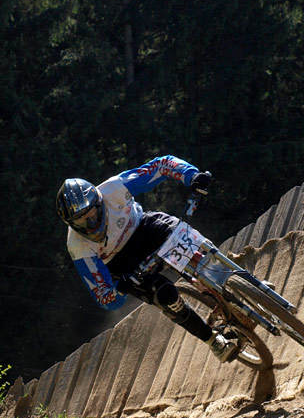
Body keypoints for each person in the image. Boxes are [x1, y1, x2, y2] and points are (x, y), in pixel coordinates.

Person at [55, 155, 238, 362]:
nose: (91, 224)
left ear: (99, 202)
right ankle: (212, 339)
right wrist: (118, 290)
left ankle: (236, 281)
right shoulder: (78, 247)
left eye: (92, 214)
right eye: (81, 222)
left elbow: (161, 165)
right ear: (71, 224)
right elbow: (103, 295)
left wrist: (191, 175)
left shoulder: (114, 189)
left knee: (187, 242)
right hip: (122, 265)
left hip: (144, 228)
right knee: (164, 296)